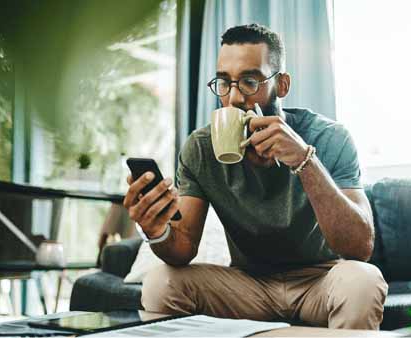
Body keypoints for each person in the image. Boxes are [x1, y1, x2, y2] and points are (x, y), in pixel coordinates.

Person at [123, 23, 388, 330]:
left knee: (363, 281)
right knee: (161, 281)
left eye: (250, 81)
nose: (234, 98)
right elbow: (181, 250)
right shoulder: (201, 148)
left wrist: (305, 161)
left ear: (283, 85)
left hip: (320, 281)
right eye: (224, 82)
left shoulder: (330, 138)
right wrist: (156, 230)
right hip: (248, 285)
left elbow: (359, 248)